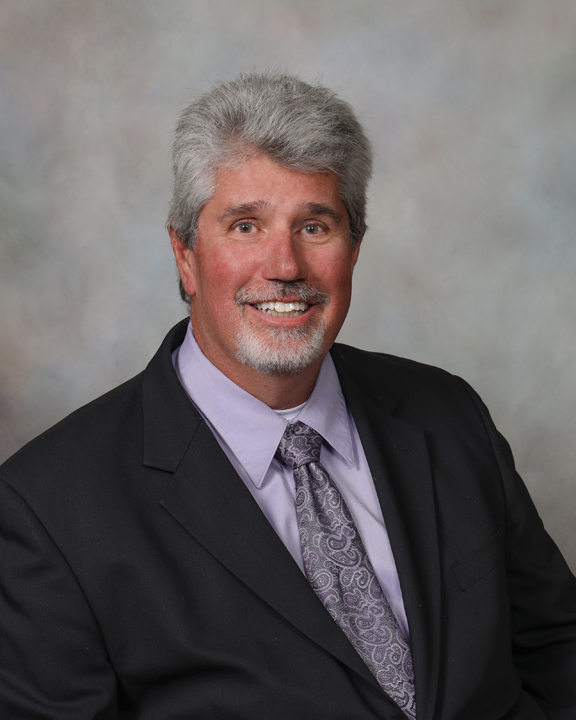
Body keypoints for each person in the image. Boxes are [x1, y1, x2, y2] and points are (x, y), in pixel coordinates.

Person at [0, 72, 575, 720]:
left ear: (354, 248)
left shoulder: (448, 415)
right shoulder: (46, 511)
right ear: (184, 254)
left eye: (315, 226)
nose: (284, 266)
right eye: (245, 226)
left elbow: (555, 645)